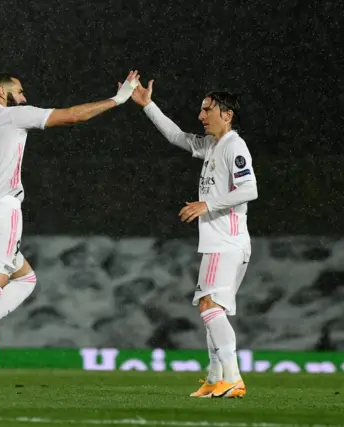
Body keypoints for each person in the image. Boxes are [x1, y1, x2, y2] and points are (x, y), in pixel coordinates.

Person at [0, 70, 141, 393]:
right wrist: (118, 99)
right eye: (20, 90)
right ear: (2, 92)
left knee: (25, 279)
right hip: (2, 213)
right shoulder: (14, 116)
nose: (25, 97)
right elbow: (72, 116)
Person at [130, 79, 257, 398]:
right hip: (230, 241)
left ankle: (233, 377)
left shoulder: (233, 146)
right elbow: (176, 136)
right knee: (215, 311)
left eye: (207, 109)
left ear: (226, 114)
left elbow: (249, 189)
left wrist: (207, 204)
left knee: (208, 304)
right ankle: (216, 377)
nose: (201, 115)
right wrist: (148, 106)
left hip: (224, 241)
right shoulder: (213, 146)